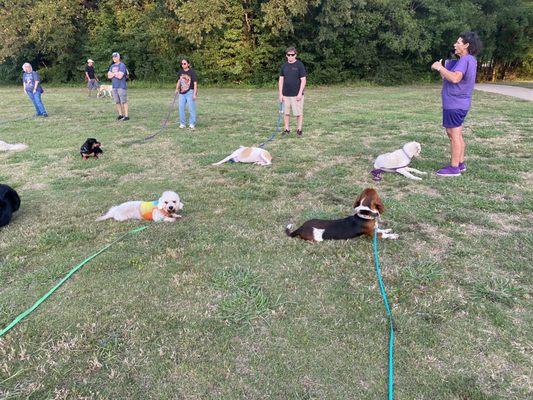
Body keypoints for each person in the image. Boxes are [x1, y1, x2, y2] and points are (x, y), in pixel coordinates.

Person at [431, 32, 482, 176]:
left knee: (454, 135)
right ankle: (460, 163)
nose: (455, 44)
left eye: (458, 42)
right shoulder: (467, 60)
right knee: (454, 133)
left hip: (455, 104)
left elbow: (455, 78)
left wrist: (439, 67)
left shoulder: (466, 60)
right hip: (457, 103)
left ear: (466, 45)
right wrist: (442, 68)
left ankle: (454, 168)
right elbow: (449, 77)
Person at [278, 46, 307, 136]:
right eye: (288, 55)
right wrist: (280, 94)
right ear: (286, 55)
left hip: (296, 95)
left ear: (295, 55)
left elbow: (303, 80)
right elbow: (281, 80)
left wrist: (299, 93)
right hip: (285, 94)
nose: (290, 56)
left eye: (292, 55)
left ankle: (299, 129)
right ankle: (287, 129)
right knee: (286, 113)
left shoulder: (299, 65)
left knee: (298, 113)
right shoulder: (284, 66)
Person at [176, 58, 197, 130]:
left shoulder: (192, 72)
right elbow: (179, 81)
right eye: (182, 64)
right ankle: (182, 123)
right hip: (182, 93)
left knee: (191, 108)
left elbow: (195, 83)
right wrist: (177, 89)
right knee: (181, 108)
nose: (183, 65)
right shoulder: (180, 71)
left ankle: (192, 123)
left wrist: (194, 94)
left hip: (190, 92)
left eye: (184, 63)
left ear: (188, 64)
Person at [107, 52, 129, 121]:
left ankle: (126, 116)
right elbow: (108, 76)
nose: (114, 58)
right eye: (113, 57)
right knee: (117, 101)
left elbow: (120, 76)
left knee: (123, 101)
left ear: (118, 57)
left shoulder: (122, 65)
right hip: (114, 86)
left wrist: (113, 74)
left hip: (121, 86)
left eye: (115, 57)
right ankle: (120, 115)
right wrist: (115, 73)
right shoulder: (112, 66)